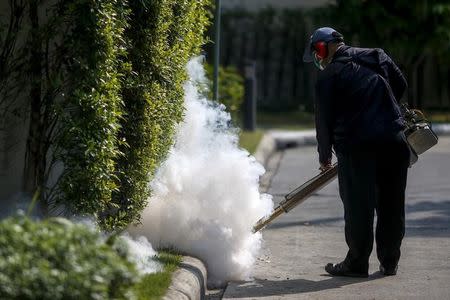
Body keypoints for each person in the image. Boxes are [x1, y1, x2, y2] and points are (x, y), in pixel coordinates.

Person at [303, 27, 410, 277]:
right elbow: (400, 84)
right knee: (392, 203)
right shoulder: (377, 56)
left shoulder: (328, 76)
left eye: (317, 53)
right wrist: (384, 107)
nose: (318, 59)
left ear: (323, 47)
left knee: (358, 207)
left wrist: (324, 156)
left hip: (356, 146)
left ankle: (357, 263)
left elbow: (324, 121)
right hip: (393, 141)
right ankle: (390, 261)